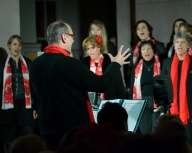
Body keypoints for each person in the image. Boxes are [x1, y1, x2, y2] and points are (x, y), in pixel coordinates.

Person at [29, 20, 130, 151]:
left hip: (47, 130)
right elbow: (101, 84)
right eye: (72, 37)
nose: (73, 41)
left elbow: (38, 93)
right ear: (64, 37)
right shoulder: (70, 64)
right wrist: (115, 64)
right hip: (71, 133)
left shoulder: (35, 64)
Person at [161, 32, 192, 153]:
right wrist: (163, 109)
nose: (180, 45)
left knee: (191, 142)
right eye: (177, 42)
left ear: (188, 46)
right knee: (171, 142)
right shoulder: (167, 63)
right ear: (173, 45)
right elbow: (161, 86)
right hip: (171, 111)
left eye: (183, 42)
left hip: (189, 112)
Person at [0, 35, 37, 149]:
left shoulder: (28, 62)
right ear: (9, 46)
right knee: (10, 138)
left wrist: (35, 107)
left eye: (19, 44)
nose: (17, 47)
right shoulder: (2, 64)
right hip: (9, 105)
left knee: (30, 135)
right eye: (14, 44)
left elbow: (33, 86)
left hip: (25, 104)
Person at [125, 20, 167, 97]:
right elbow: (130, 68)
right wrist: (128, 85)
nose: (141, 30)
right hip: (139, 82)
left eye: (143, 27)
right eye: (138, 29)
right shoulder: (134, 49)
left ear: (148, 31)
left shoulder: (159, 45)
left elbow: (165, 65)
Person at [128, 40, 161, 134]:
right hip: (141, 103)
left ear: (153, 51)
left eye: (149, 48)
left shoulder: (161, 65)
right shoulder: (136, 68)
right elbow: (131, 89)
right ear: (141, 53)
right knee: (145, 133)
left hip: (157, 103)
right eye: (143, 49)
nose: (146, 51)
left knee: (157, 132)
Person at [82, 35, 125, 101]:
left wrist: (122, 101)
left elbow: (119, 85)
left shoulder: (109, 60)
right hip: (90, 103)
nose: (90, 51)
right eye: (87, 49)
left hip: (111, 101)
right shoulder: (84, 63)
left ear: (99, 47)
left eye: (92, 48)